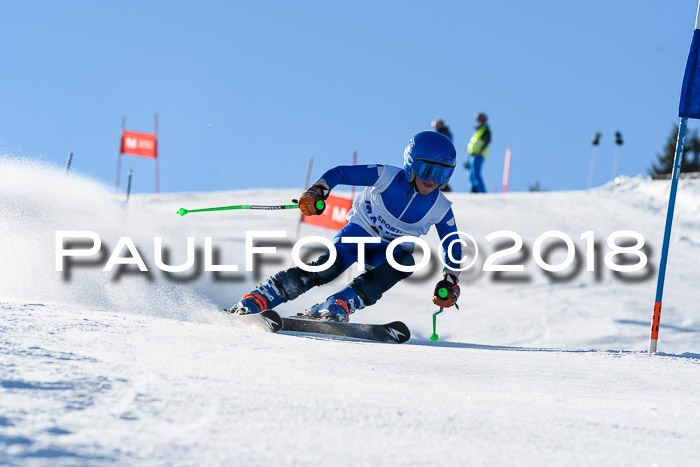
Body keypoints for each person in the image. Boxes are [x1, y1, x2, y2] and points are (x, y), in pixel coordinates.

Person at [226, 131, 463, 322]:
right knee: (327, 269)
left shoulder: (440, 207)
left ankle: (339, 303)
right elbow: (340, 173)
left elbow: (451, 244)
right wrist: (319, 190)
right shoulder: (386, 176)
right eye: (427, 170)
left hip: (387, 252)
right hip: (359, 234)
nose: (433, 180)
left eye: (442, 173)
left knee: (405, 262)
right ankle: (262, 296)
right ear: (411, 164)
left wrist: (450, 280)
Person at [467, 113, 491, 193]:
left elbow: (487, 141)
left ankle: (482, 192)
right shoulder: (478, 131)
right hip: (472, 155)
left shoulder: (485, 130)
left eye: (480, 120)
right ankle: (474, 191)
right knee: (471, 175)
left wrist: (480, 151)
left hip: (478, 155)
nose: (478, 122)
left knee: (476, 174)